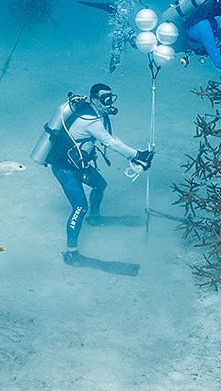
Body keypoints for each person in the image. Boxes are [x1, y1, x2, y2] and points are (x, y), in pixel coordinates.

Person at [29, 84, 153, 262]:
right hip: (65, 169)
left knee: (100, 185)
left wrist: (135, 155)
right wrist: (138, 155)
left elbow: (110, 139)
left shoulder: (95, 113)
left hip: (78, 164)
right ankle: (71, 253)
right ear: (94, 100)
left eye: (111, 98)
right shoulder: (90, 121)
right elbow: (111, 142)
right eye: (105, 99)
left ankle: (94, 219)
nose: (108, 103)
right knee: (80, 207)